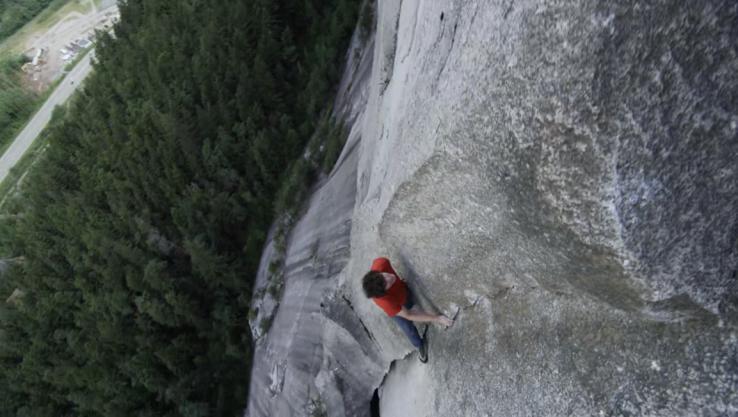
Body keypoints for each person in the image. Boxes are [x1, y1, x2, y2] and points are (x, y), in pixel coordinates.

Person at [362, 257, 453, 363]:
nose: (389, 278)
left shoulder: (381, 263)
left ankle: (410, 302)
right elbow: (409, 315)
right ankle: (419, 345)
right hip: (397, 305)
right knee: (407, 327)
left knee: (409, 301)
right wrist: (437, 318)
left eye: (384, 276)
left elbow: (384, 270)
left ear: (378, 273)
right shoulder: (386, 302)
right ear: (384, 293)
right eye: (386, 284)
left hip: (403, 291)